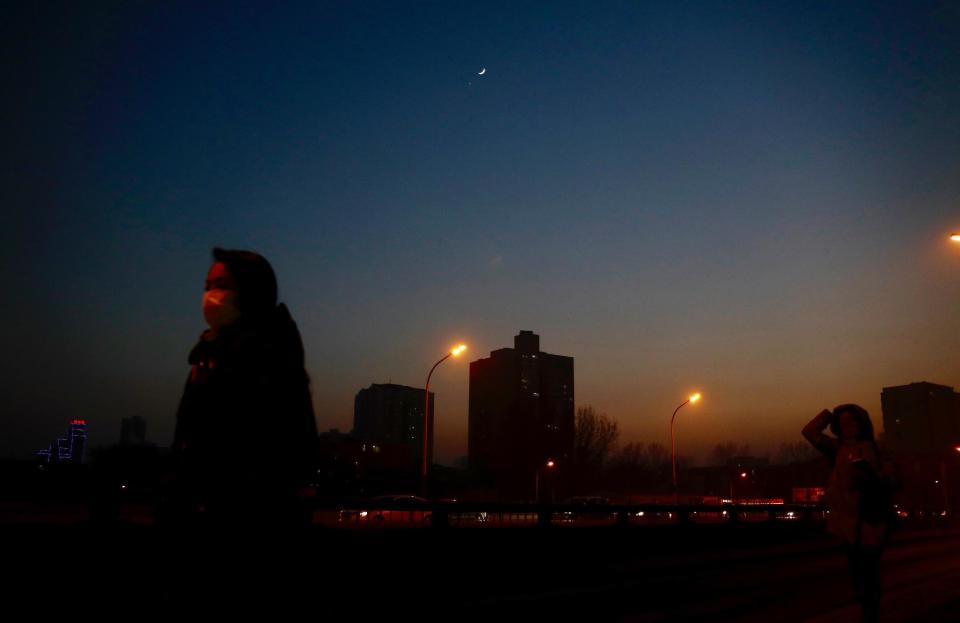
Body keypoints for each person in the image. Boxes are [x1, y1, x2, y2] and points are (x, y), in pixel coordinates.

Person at [163, 248, 318, 531]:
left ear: (252, 292)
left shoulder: (271, 356)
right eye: (207, 286)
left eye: (222, 286)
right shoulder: (207, 355)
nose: (210, 295)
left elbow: (279, 450)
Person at [803, 404, 894, 623]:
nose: (848, 426)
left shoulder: (876, 449)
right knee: (858, 575)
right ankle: (868, 612)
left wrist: (871, 476)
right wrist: (829, 413)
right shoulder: (836, 448)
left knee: (869, 575)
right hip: (846, 523)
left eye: (852, 421)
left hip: (871, 520)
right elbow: (809, 432)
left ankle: (871, 615)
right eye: (843, 422)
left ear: (861, 423)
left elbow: (889, 480)